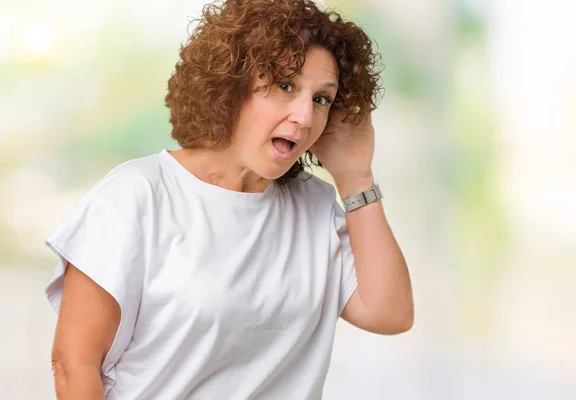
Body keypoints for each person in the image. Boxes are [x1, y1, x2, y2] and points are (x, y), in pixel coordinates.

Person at [45, 0, 414, 398]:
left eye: (321, 99)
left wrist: (356, 177)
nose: (305, 116)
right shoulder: (137, 198)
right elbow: (74, 366)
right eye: (286, 86)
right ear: (233, 83)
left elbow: (388, 313)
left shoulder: (313, 206)